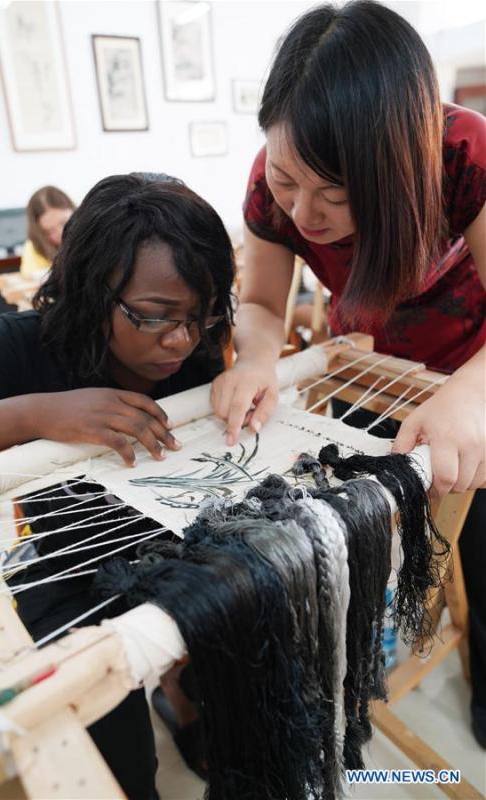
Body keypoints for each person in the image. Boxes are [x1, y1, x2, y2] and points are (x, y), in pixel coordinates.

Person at [210, 0, 486, 747]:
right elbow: (264, 301)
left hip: (473, 378)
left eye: (335, 193)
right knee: (356, 537)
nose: (303, 211)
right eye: (288, 179)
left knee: (477, 539)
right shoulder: (272, 182)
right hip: (365, 375)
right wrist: (259, 357)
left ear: (398, 161)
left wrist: (466, 391)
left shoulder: (462, 151)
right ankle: (350, 680)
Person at [0, 172, 235, 797]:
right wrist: (35, 415)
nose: (183, 341)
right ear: (89, 289)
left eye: (203, 315)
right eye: (156, 318)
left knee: (240, 681)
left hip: (180, 541)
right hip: (69, 567)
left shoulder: (196, 341)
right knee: (119, 770)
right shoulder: (23, 347)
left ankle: (182, 700)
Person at [20, 185, 75, 278]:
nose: (62, 233)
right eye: (50, 231)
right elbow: (30, 278)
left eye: (65, 223)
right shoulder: (34, 249)